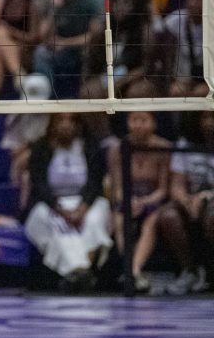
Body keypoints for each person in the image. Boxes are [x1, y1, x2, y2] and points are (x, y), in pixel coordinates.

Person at [23, 113, 112, 291]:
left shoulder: (90, 146)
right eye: (61, 120)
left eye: (71, 120)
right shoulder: (41, 147)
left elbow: (95, 182)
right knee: (58, 226)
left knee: (94, 221)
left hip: (86, 202)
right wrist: (60, 210)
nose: (66, 125)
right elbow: (39, 185)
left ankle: (79, 273)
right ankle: (80, 271)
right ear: (53, 124)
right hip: (52, 204)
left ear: (79, 125)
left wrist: (82, 208)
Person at [110, 111, 172, 293]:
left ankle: (133, 271)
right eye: (134, 120)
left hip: (153, 200)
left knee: (151, 222)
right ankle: (130, 269)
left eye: (143, 120)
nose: (138, 125)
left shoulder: (163, 147)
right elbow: (117, 187)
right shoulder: (118, 148)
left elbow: (163, 189)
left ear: (153, 123)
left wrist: (144, 202)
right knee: (120, 220)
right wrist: (129, 201)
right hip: (128, 199)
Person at [157, 111, 214, 295]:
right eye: (204, 117)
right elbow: (177, 185)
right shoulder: (185, 144)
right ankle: (189, 271)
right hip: (191, 199)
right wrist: (186, 201)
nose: (209, 122)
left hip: (209, 198)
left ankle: (211, 273)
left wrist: (207, 196)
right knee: (168, 216)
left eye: (212, 117)